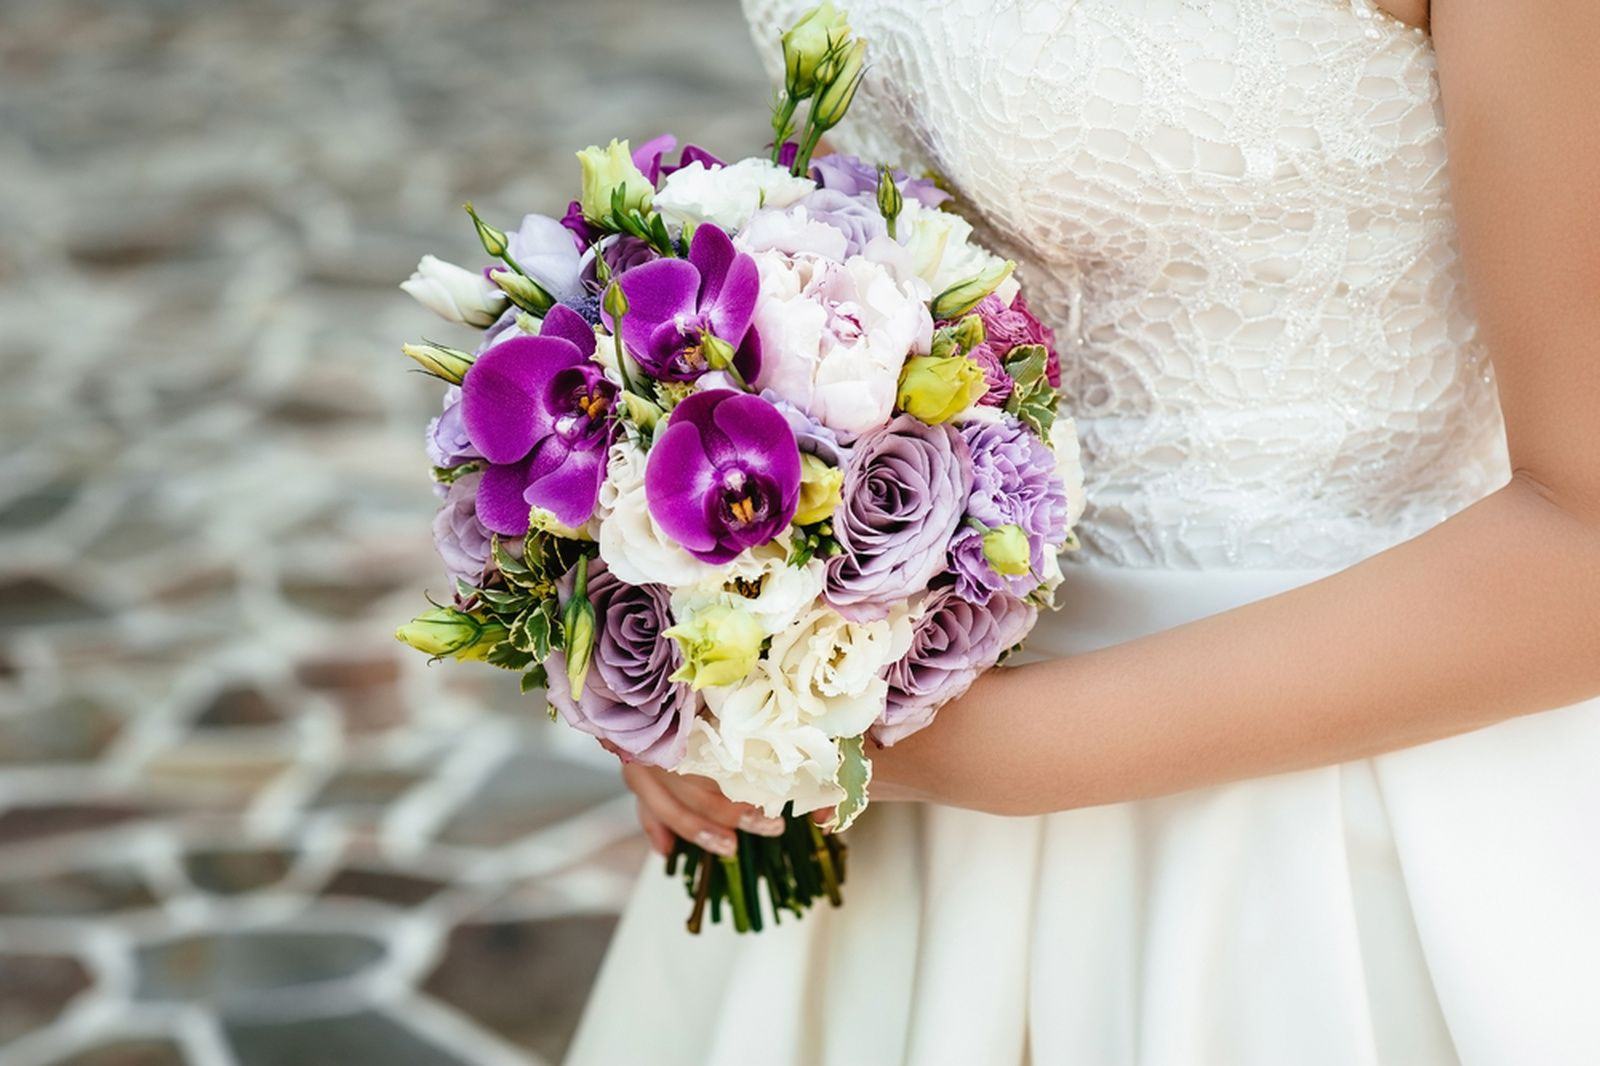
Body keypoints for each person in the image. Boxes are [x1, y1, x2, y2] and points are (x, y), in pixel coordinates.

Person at [569, 1, 1600, 1062]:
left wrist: (950, 756)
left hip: (1317, 844)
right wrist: (703, 633)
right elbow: (870, 189)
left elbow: (1586, 546)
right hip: (881, 797)